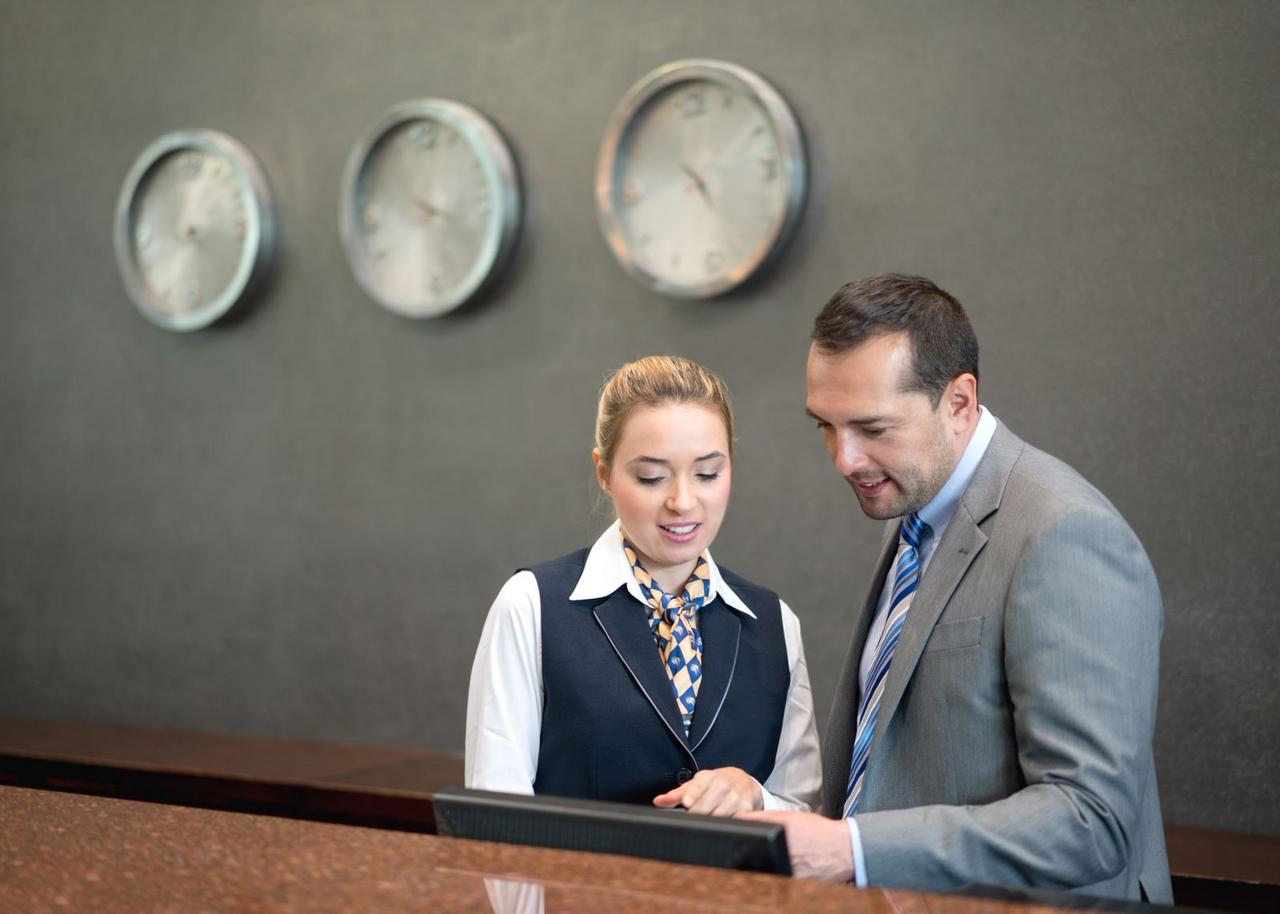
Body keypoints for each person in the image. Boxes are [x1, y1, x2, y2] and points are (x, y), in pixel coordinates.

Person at [743, 274, 1171, 902]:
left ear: (960, 403)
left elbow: (1092, 821)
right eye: (826, 428)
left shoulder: (1067, 534)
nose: (844, 459)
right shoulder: (921, 509)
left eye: (873, 428)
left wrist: (853, 849)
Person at [465, 355, 821, 814]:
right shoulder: (532, 606)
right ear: (604, 472)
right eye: (651, 477)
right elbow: (495, 814)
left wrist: (755, 794)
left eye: (708, 473)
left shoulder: (776, 625)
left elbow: (805, 811)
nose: (683, 502)